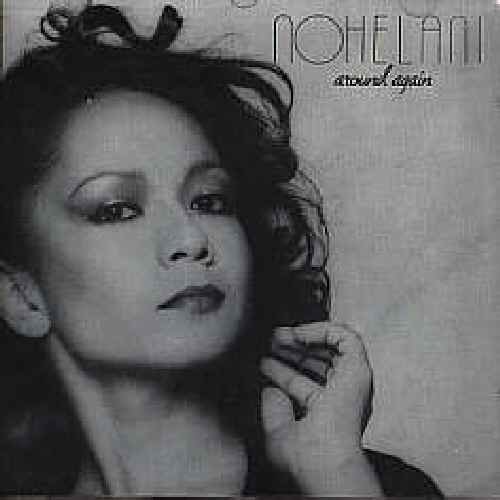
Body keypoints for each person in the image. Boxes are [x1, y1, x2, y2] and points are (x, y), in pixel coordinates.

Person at [0, 4, 442, 496]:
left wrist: (337, 475)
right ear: (21, 296)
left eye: (210, 201)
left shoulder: (358, 481)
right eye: (118, 209)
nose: (192, 240)